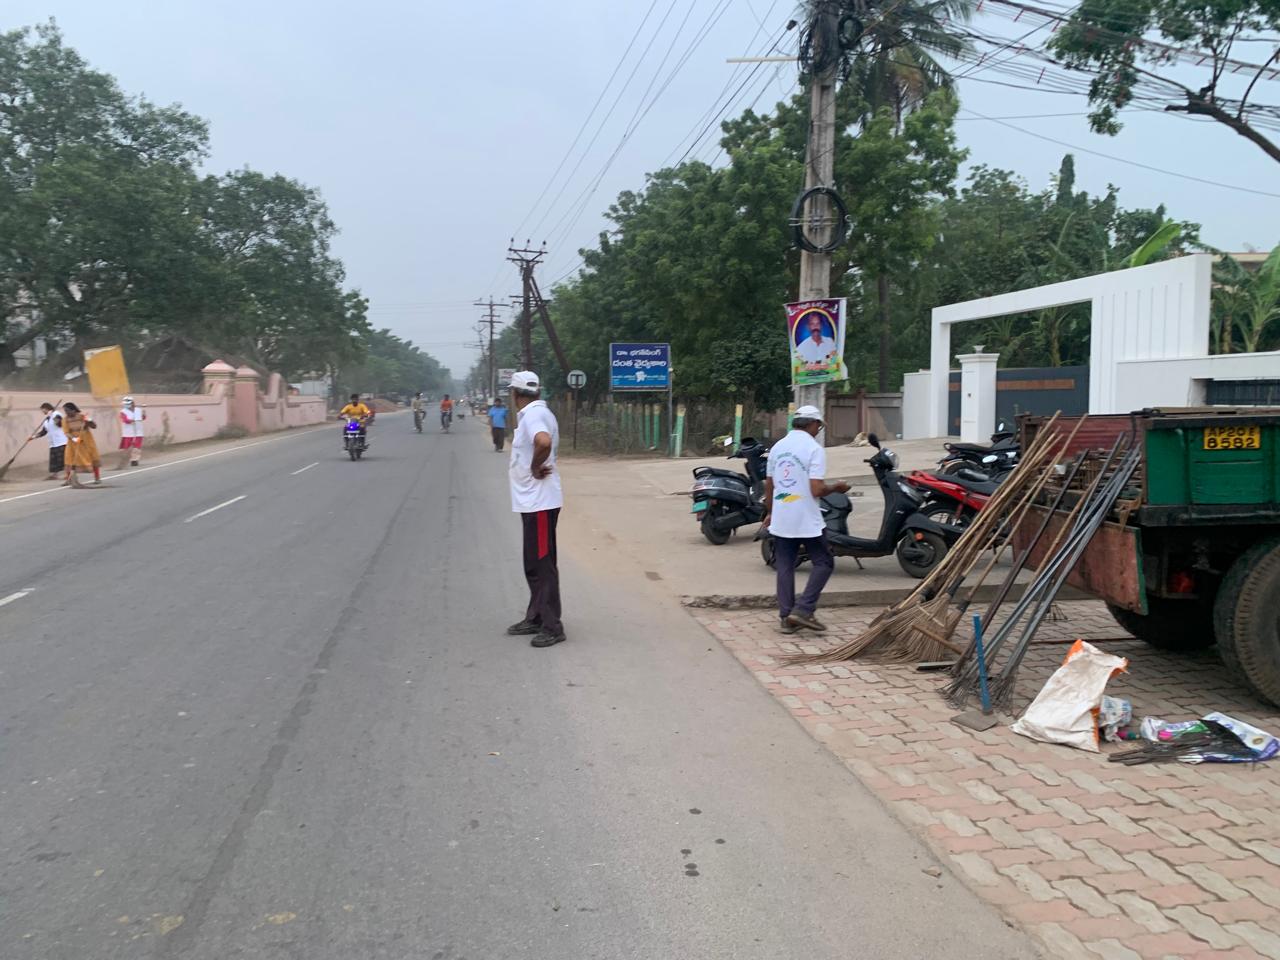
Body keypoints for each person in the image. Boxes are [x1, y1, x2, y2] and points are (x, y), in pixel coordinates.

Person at [761, 404, 849, 634]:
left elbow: (769, 485)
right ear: (813, 424)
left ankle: (785, 616)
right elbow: (817, 489)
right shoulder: (814, 449)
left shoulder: (778, 447)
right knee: (824, 562)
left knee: (785, 565)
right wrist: (837, 487)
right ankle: (803, 609)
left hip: (782, 515)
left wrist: (770, 512)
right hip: (806, 517)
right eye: (819, 426)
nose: (818, 430)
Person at [504, 371, 565, 648]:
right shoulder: (537, 412)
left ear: (515, 394)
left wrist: (534, 466)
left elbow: (543, 442)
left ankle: (552, 626)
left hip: (540, 502)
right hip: (534, 502)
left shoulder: (533, 415)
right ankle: (537, 616)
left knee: (542, 564)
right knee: (533, 563)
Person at [62, 401, 101, 487]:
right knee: (69, 459)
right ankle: (69, 479)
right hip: (73, 443)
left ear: (73, 410)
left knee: (92, 457)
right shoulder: (65, 420)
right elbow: (66, 432)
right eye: (65, 411)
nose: (66, 413)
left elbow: (94, 426)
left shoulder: (82, 417)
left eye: (68, 410)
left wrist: (90, 421)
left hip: (86, 441)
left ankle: (97, 478)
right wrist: (74, 438)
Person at [36, 402, 67, 480]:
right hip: (53, 443)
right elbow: (44, 431)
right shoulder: (46, 420)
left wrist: (52, 417)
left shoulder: (57, 414)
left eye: (43, 410)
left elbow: (60, 424)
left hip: (61, 441)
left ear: (46, 408)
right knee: (54, 460)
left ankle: (68, 474)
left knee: (63, 459)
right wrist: (34, 436)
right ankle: (54, 475)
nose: (42, 412)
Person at [118, 395, 146, 468]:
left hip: (138, 431)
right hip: (128, 432)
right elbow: (125, 420)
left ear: (132, 403)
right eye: (125, 403)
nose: (126, 405)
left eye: (128, 403)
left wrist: (143, 414)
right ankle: (125, 459)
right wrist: (133, 420)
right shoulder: (122, 411)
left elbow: (143, 418)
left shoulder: (138, 410)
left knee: (136, 446)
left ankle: (134, 460)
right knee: (127, 447)